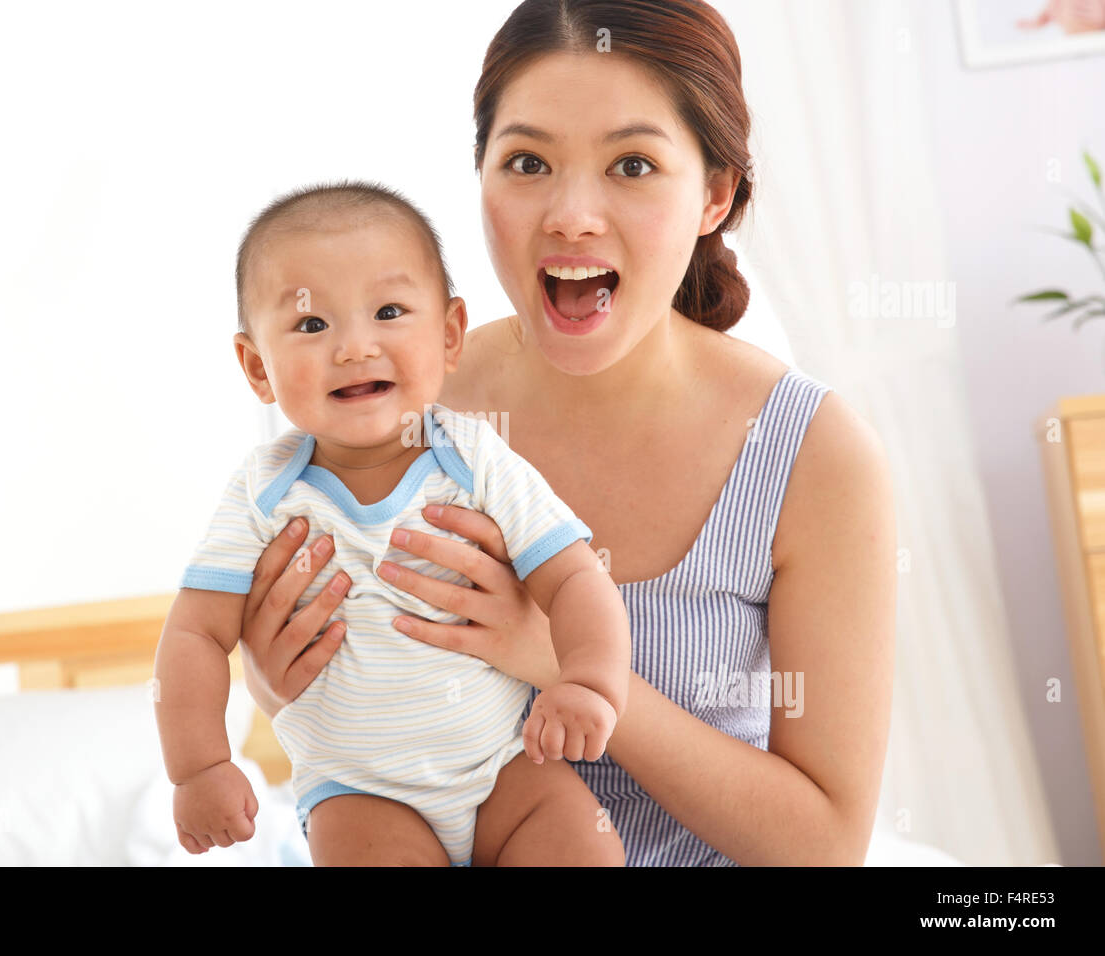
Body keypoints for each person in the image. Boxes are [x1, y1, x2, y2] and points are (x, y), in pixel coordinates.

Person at [237, 0, 896, 866]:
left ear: (715, 192)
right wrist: (274, 674)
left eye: (631, 164)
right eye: (527, 162)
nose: (571, 214)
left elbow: (826, 845)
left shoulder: (811, 454)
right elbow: (305, 688)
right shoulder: (387, 407)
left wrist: (564, 661)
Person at [153, 180, 630, 867]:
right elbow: (195, 633)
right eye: (312, 325)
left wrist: (588, 682)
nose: (353, 347)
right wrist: (198, 768)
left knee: (583, 852)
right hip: (360, 794)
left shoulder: (476, 458)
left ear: (448, 335)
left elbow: (575, 577)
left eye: (388, 311)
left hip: (508, 766)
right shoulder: (263, 496)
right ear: (258, 367)